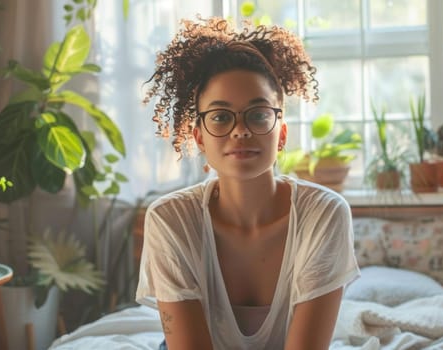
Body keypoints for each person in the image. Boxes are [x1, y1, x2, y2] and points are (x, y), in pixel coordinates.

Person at [136, 16, 359, 350]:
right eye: (221, 117)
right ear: (199, 138)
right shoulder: (170, 219)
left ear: (281, 134)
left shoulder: (324, 214)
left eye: (257, 114)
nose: (240, 131)